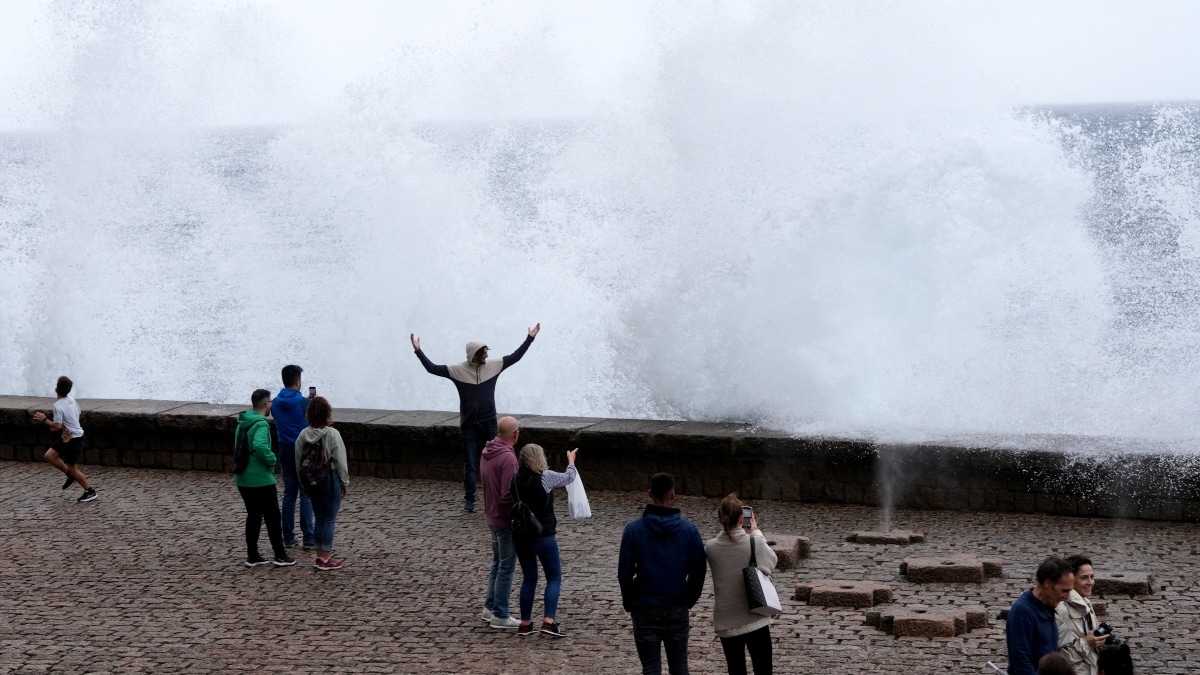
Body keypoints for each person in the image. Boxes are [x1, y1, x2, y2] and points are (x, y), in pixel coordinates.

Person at [410, 323, 540, 512]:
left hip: (488, 423)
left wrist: (530, 338)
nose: (487, 355)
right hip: (469, 425)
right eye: (484, 353)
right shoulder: (458, 370)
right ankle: (469, 499)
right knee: (470, 463)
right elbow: (432, 368)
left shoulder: (493, 366)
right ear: (475, 355)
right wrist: (418, 351)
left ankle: (498, 495)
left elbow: (515, 357)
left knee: (496, 461)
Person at [618, 473, 707, 675]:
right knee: (680, 666)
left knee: (650, 668)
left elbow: (624, 573)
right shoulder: (689, 531)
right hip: (676, 604)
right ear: (673, 495)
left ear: (649, 493)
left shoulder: (633, 530)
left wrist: (630, 601)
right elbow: (698, 572)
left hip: (645, 606)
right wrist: (688, 599)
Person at [704, 493, 777, 675]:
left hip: (727, 619)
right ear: (742, 519)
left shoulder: (710, 547)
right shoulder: (754, 541)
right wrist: (757, 533)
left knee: (735, 669)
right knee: (763, 668)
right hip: (755, 616)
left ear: (719, 518)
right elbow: (770, 564)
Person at [510, 442, 576, 637]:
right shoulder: (546, 477)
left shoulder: (513, 479)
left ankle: (525, 622)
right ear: (539, 458)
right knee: (553, 577)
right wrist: (571, 460)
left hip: (520, 536)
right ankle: (548, 621)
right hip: (543, 535)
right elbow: (569, 477)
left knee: (529, 578)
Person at [234, 389, 295, 567]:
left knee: (253, 515)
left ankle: (252, 555)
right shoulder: (261, 424)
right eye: (271, 403)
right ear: (267, 404)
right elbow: (259, 445)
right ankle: (280, 555)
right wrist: (272, 459)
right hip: (260, 479)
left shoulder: (242, 422)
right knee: (273, 516)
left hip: (243, 478)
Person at [294, 396, 348, 571]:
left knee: (319, 519)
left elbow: (298, 460)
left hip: (311, 481)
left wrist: (303, 482)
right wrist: (344, 482)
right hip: (329, 479)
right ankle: (325, 558)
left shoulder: (303, 434)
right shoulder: (332, 434)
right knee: (329, 520)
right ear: (327, 414)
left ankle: (319, 556)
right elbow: (340, 461)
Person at [480, 416, 522, 628]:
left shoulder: (487, 452)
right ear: (516, 434)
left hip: (490, 516)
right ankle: (501, 614)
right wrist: (515, 517)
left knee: (497, 564)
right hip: (504, 520)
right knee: (506, 567)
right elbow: (508, 494)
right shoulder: (508, 458)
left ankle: (490, 607)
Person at [1007, 556, 1076, 675]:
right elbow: (1021, 663)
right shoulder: (1022, 612)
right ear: (1048, 583)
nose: (1067, 597)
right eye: (1064, 591)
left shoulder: (1048, 605)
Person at [32, 375, 96, 503]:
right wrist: (60, 426)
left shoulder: (57, 405)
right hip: (68, 436)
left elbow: (57, 425)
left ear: (56, 390)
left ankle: (90, 491)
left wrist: (44, 420)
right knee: (49, 456)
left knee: (73, 468)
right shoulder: (71, 399)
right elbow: (75, 414)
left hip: (75, 438)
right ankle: (69, 475)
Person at [274, 364, 314, 550]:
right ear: (298, 382)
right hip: (303, 450)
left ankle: (288, 537)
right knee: (306, 494)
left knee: (289, 494)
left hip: (284, 450)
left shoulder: (274, 403)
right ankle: (308, 538)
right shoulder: (304, 403)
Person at [1056, 554, 1103, 675]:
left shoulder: (1086, 603)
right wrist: (1087, 643)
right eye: (1084, 578)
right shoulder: (1061, 609)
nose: (1090, 582)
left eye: (1092, 577)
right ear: (1070, 579)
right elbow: (1059, 655)